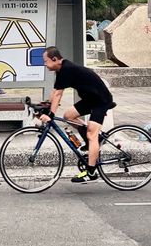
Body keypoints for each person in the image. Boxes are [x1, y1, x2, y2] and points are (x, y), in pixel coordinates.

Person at [39, 46, 115, 184]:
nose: (45, 64)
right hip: (90, 99)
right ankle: (92, 140)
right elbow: (55, 90)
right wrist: (45, 104)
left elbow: (58, 94)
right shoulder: (61, 69)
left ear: (54, 59)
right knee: (68, 116)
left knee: (92, 134)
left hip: (100, 100)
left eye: (46, 61)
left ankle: (91, 172)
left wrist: (50, 114)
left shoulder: (66, 69)